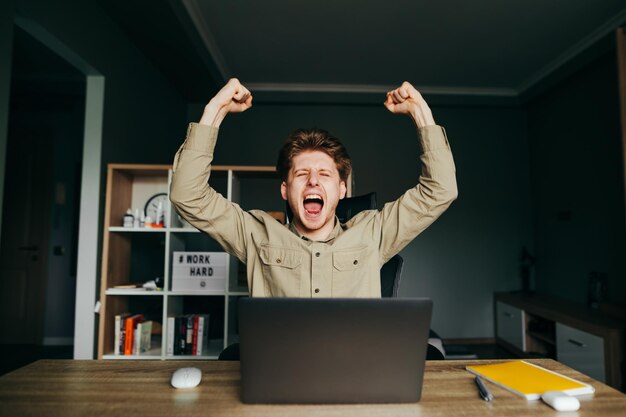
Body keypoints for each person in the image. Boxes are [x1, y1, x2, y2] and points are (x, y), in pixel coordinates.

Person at [170, 78, 457, 298]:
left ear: (342, 189)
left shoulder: (373, 233)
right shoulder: (255, 235)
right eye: (302, 173)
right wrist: (214, 110)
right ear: (285, 189)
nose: (313, 181)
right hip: (280, 371)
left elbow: (440, 190)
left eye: (324, 174)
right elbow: (187, 195)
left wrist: (421, 113)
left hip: (354, 370)